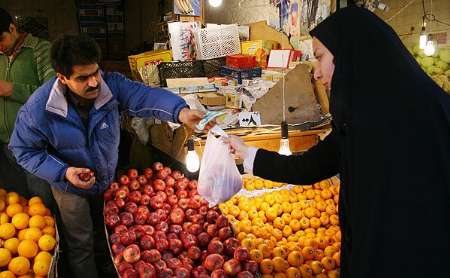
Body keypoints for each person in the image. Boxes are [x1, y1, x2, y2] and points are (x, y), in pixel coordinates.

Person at [226, 7, 450, 278]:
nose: (317, 73)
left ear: (349, 54)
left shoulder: (416, 112)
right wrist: (248, 153)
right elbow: (312, 166)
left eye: (320, 58)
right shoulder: (360, 116)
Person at [9, 34, 207, 278]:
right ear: (62, 78)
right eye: (83, 78)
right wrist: (64, 172)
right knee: (80, 242)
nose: (94, 83)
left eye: (96, 73)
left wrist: (180, 112)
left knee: (109, 233)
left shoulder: (110, 86)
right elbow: (23, 150)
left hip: (106, 178)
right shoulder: (39, 109)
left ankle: (109, 270)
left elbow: (143, 96)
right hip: (68, 185)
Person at [0, 8, 55, 207]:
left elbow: (53, 95)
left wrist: (12, 89)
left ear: (12, 28)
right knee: (15, 205)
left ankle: (55, 237)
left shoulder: (41, 50)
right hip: (4, 145)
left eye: (1, 40)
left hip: (33, 144)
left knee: (42, 203)